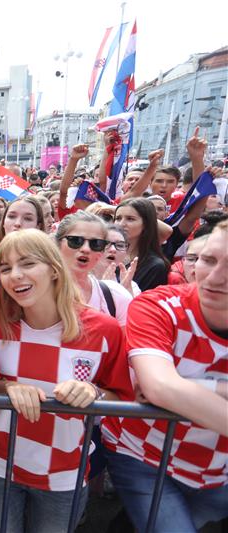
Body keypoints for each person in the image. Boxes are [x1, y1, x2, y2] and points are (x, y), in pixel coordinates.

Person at [0, 229, 132, 533]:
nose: (15, 275)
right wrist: (8, 388)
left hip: (65, 474)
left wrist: (93, 392)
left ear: (53, 268)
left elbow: (123, 397)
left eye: (26, 263)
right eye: (5, 268)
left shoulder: (104, 329)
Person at [101, 220, 228, 533]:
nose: (214, 276)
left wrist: (191, 386)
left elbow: (163, 387)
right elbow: (159, 386)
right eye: (207, 260)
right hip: (142, 455)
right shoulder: (158, 305)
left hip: (216, 475)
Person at [55, 211, 134, 325]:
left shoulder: (116, 295)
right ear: (58, 244)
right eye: (76, 240)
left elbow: (123, 341)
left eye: (96, 243)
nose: (86, 249)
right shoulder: (37, 292)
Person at [114, 198, 170, 291]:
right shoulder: (105, 253)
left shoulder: (155, 266)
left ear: (146, 224)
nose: (121, 224)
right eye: (118, 218)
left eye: (130, 219)